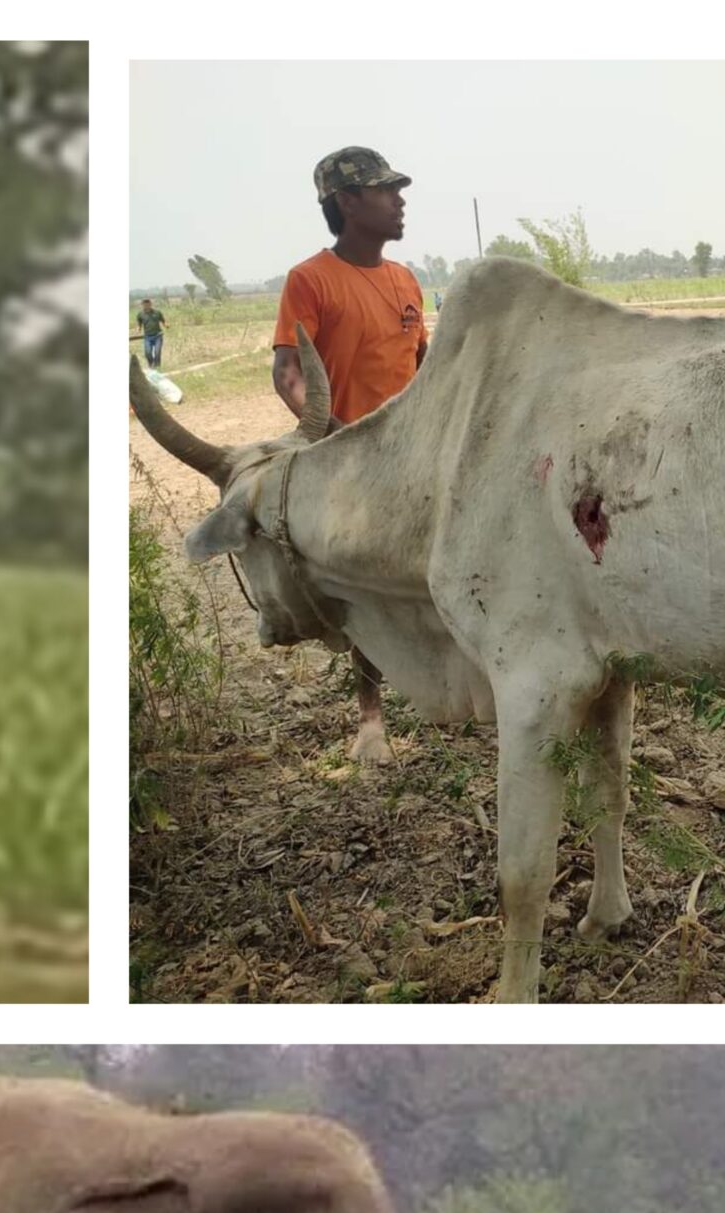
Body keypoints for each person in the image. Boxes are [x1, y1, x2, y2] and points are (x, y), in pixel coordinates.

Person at [271, 147, 428, 766]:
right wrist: (336, 434)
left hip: (414, 452)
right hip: (351, 459)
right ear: (346, 203)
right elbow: (287, 371)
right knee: (365, 587)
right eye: (384, 190)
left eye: (396, 189)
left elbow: (423, 363)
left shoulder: (405, 279)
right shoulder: (310, 281)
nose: (400, 199)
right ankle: (371, 719)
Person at [132, 296, 167, 368]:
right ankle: (151, 365)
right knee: (148, 353)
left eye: (148, 303)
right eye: (145, 303)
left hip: (158, 336)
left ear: (151, 304)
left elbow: (163, 320)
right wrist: (138, 329)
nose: (146, 305)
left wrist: (165, 325)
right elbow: (139, 324)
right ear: (142, 304)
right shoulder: (140, 314)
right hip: (147, 337)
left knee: (157, 352)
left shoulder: (157, 312)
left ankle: (157, 367)